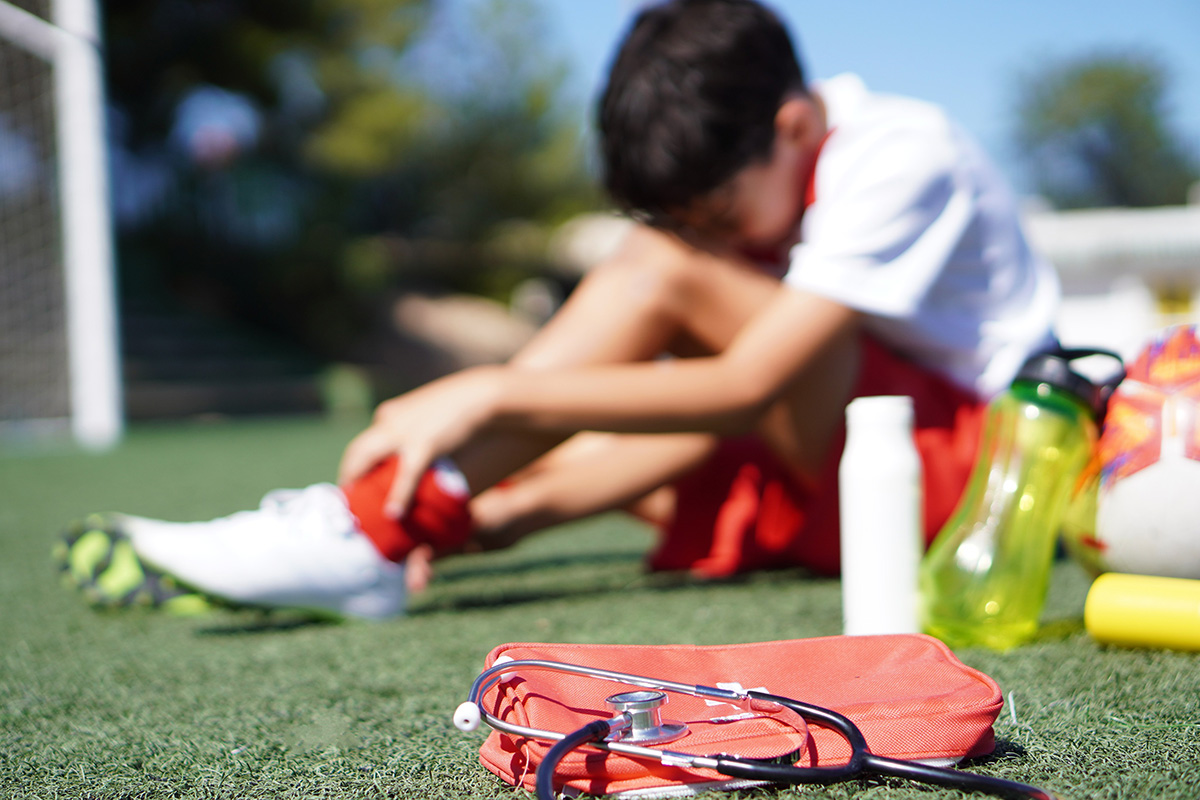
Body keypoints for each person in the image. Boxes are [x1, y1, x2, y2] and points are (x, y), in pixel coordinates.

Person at [57, 0, 1059, 620]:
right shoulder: (791, 158)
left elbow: (753, 380)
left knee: (657, 274)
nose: (719, 239)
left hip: (973, 482)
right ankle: (389, 531)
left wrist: (491, 390)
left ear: (793, 126)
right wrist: (488, 503)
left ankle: (362, 534)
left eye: (718, 213)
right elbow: (712, 405)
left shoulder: (899, 151)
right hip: (840, 459)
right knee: (566, 452)